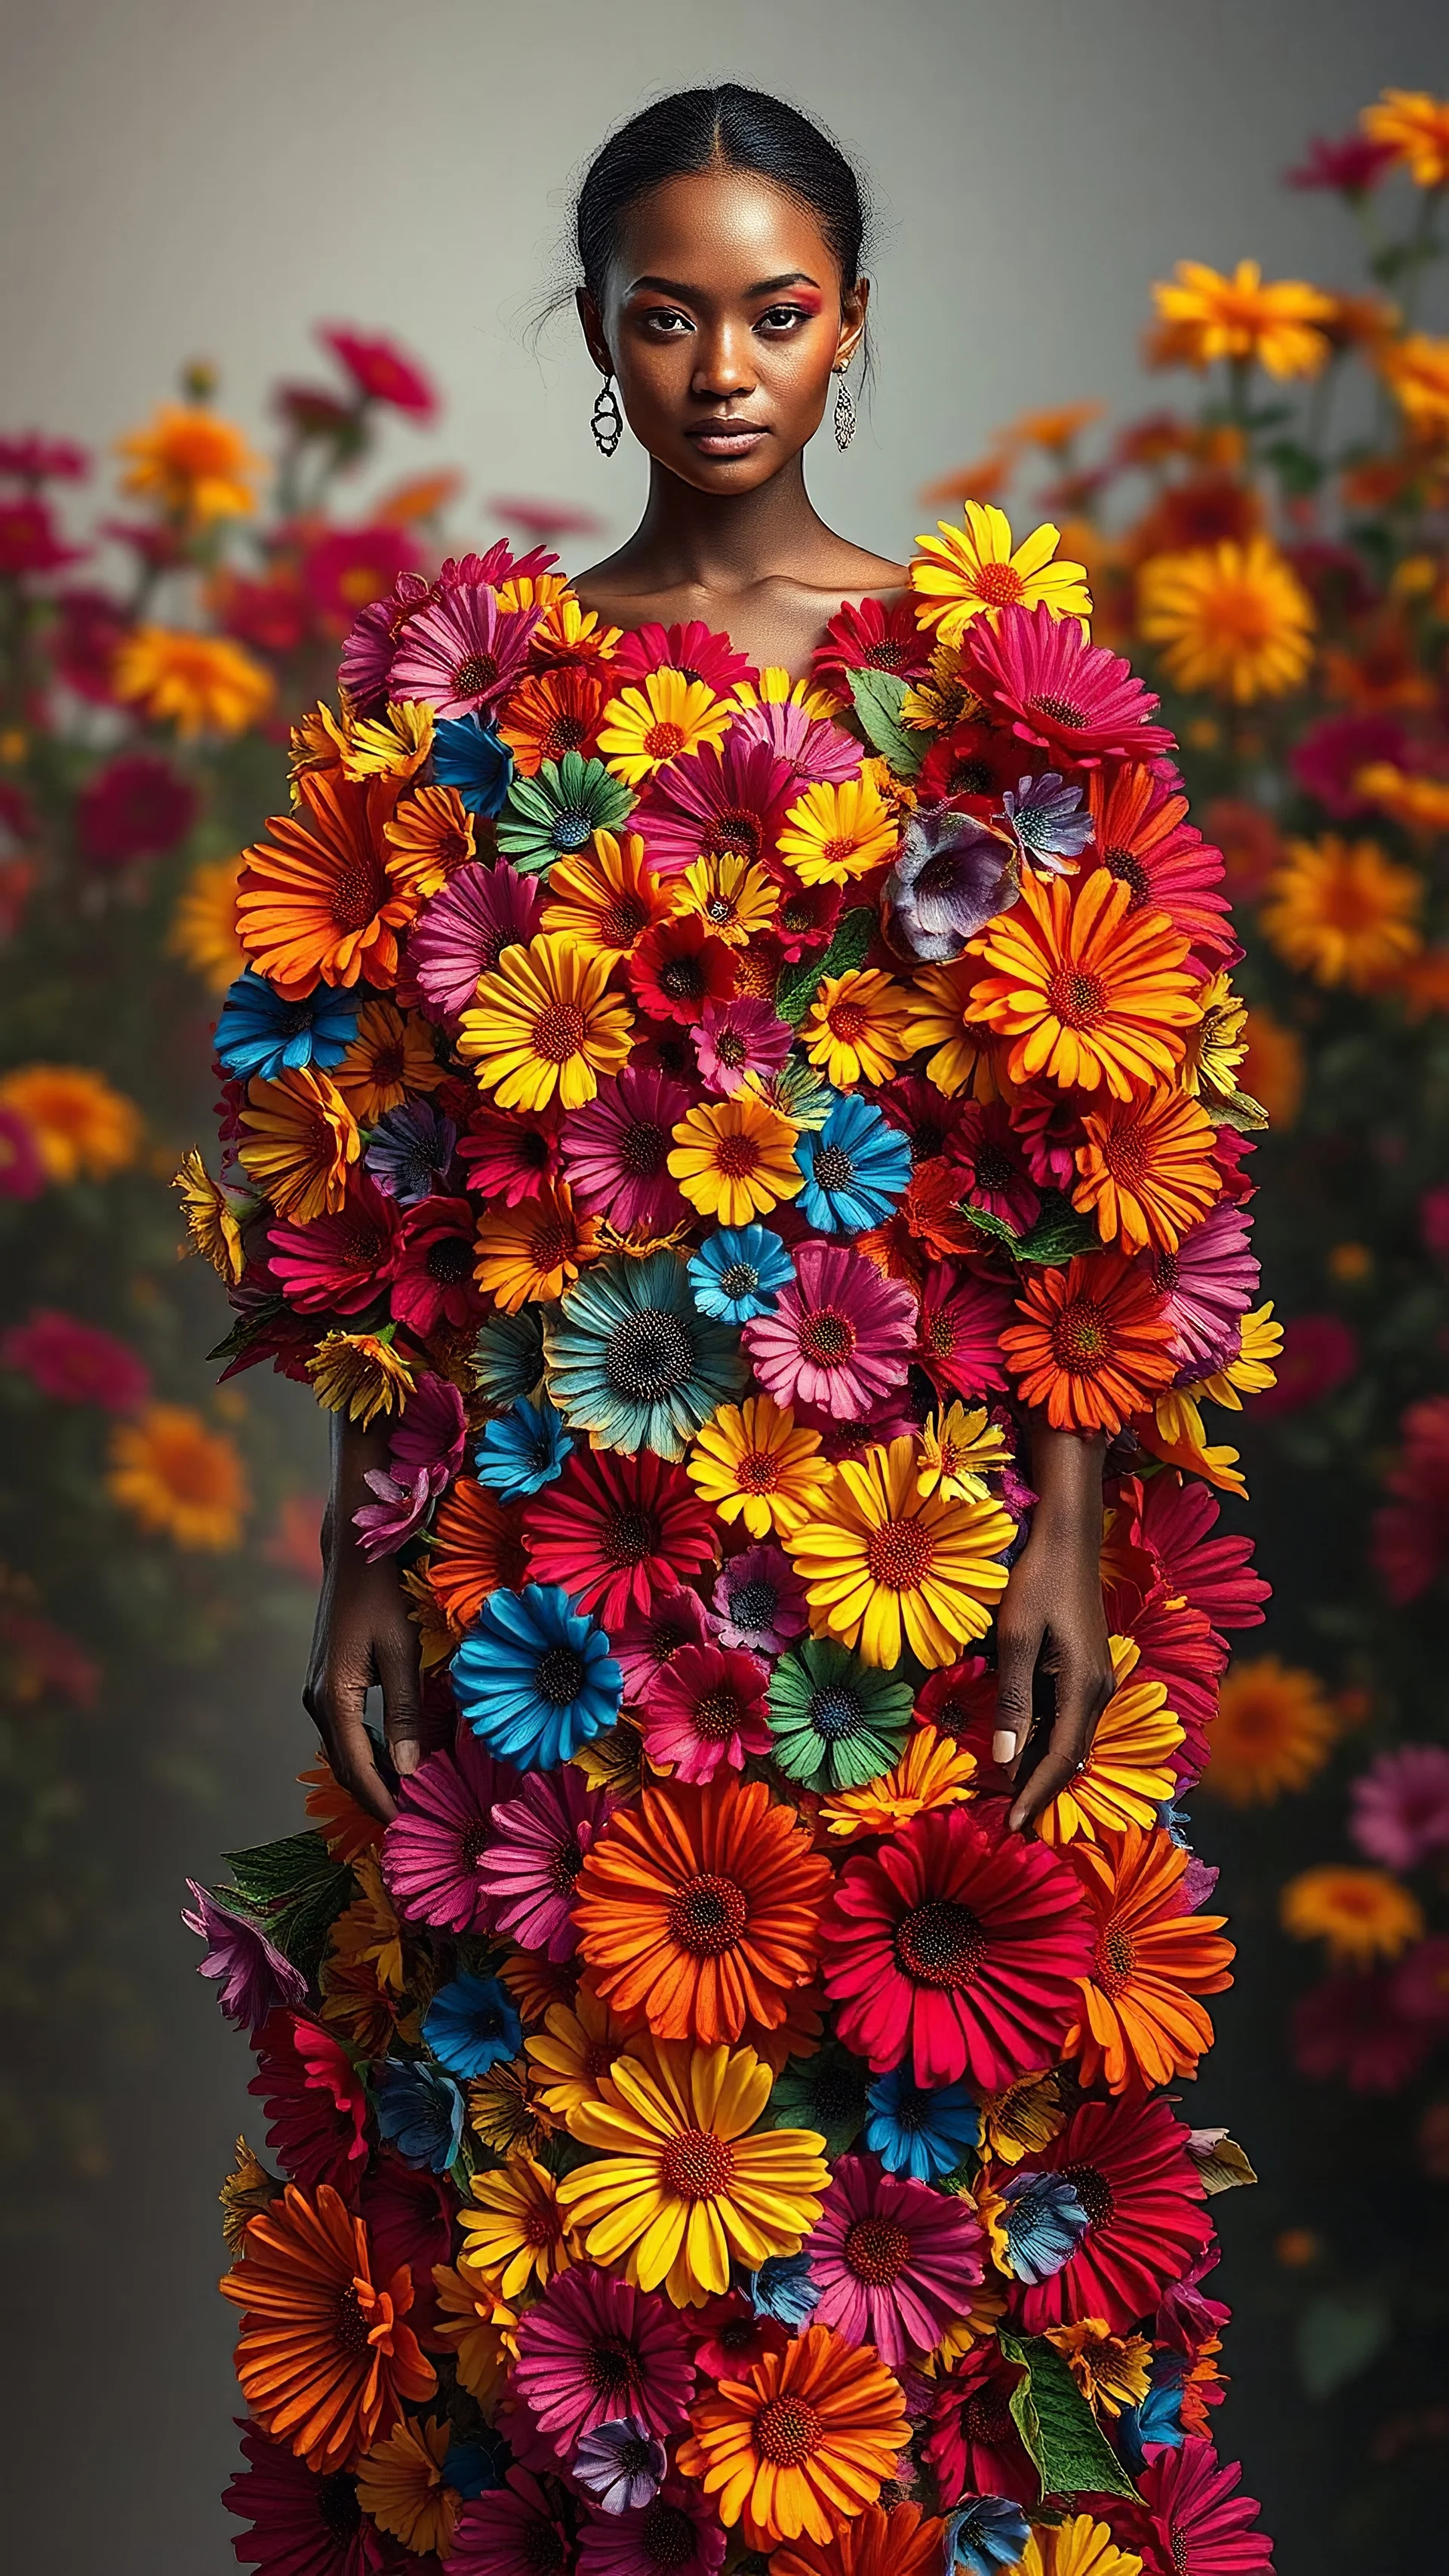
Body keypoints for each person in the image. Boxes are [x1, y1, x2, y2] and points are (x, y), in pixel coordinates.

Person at [303, 84, 1113, 1836]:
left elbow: (1065, 1145)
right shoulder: (482, 690)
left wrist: (1061, 1523)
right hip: (560, 1488)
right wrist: (359, 1540)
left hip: (909, 1486)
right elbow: (395, 1159)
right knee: (559, 2007)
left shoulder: (976, 677)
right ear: (600, 331)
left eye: (779, 313)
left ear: (853, 323)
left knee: (905, 2020)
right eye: (666, 317)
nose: (725, 370)